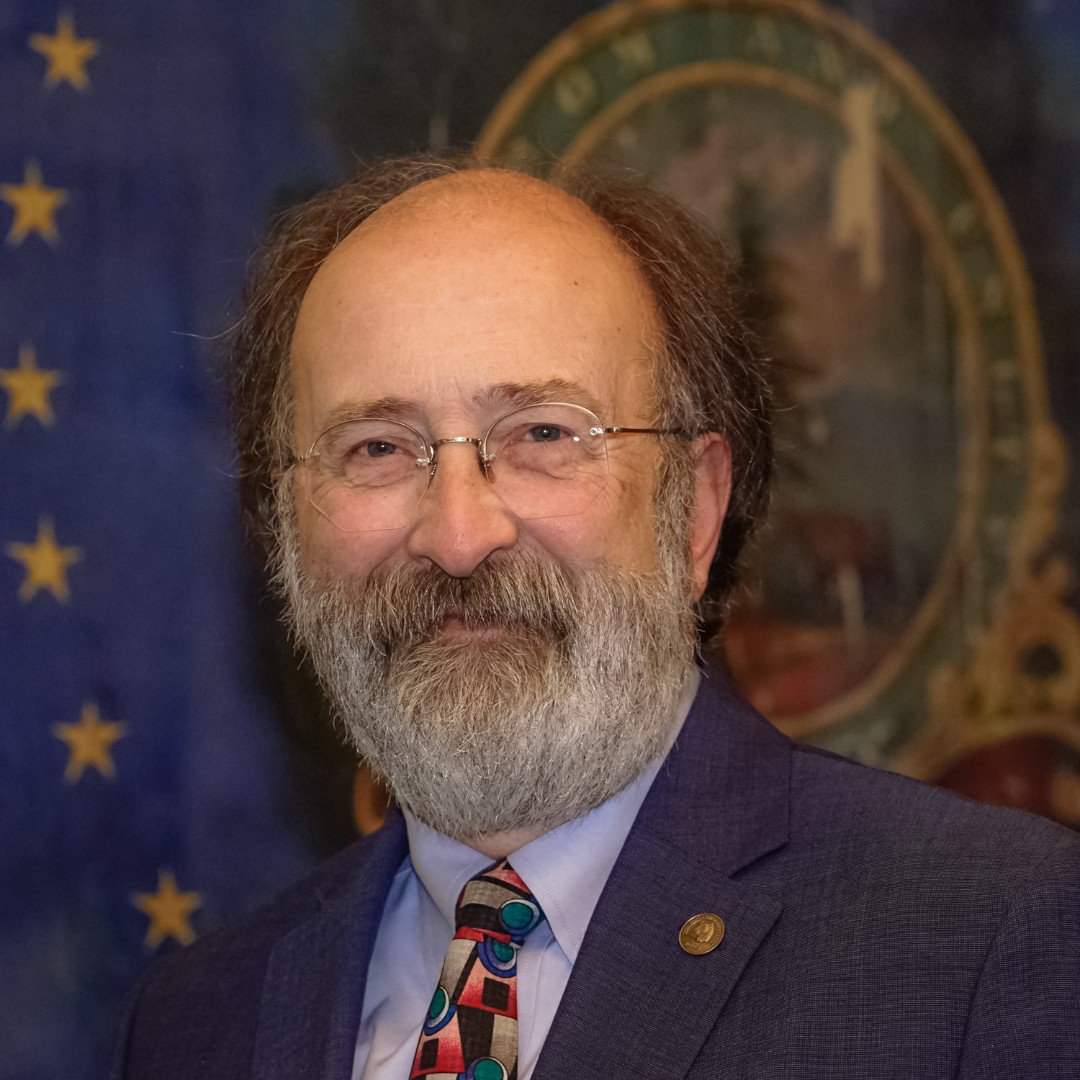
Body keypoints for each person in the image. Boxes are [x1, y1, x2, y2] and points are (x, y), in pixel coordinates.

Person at [112, 158, 1080, 1080]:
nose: (459, 535)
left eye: (542, 434)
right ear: (285, 528)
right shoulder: (202, 1021)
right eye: (376, 448)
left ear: (694, 512)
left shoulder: (987, 942)